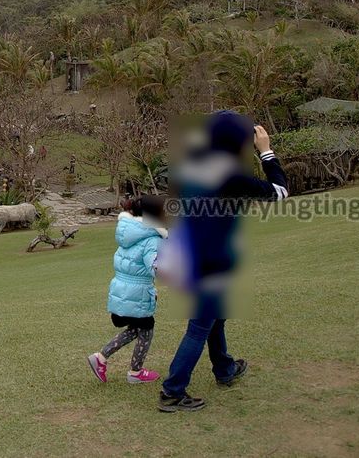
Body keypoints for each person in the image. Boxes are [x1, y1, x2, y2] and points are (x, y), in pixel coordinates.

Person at [157, 112, 288, 412]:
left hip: (191, 256)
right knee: (200, 324)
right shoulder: (229, 175)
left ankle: (224, 369)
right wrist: (265, 151)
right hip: (211, 260)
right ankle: (172, 391)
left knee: (215, 315)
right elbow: (280, 192)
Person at [88, 195, 168, 384]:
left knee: (136, 328)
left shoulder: (129, 234)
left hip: (121, 290)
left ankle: (101, 357)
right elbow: (156, 266)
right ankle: (135, 372)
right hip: (137, 293)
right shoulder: (152, 239)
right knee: (146, 329)